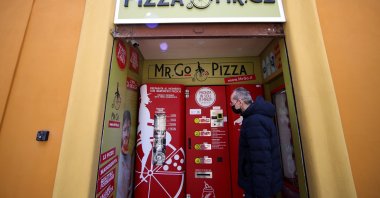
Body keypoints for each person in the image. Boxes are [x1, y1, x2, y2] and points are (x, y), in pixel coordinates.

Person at [230, 87, 283, 198]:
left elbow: (261, 160)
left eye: (232, 102)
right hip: (260, 183)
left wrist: (260, 193)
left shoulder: (254, 121)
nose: (232, 105)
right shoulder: (257, 116)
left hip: (258, 188)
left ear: (240, 102)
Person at [117, 110, 133, 198]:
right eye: (124, 130)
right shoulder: (115, 158)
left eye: (128, 129)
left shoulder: (129, 157)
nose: (127, 134)